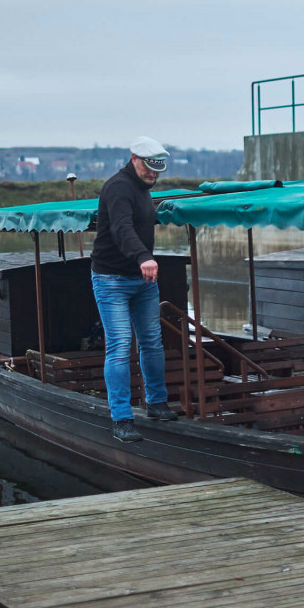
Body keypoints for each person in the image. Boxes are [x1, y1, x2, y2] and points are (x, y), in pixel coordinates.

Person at [91, 136, 178, 443]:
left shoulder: (144, 189)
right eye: (149, 170)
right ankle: (122, 418)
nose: (153, 176)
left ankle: (156, 403)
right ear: (134, 159)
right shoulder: (118, 188)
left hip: (143, 282)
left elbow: (144, 220)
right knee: (119, 346)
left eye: (158, 172)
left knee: (152, 342)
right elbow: (121, 228)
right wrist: (144, 257)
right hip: (112, 279)